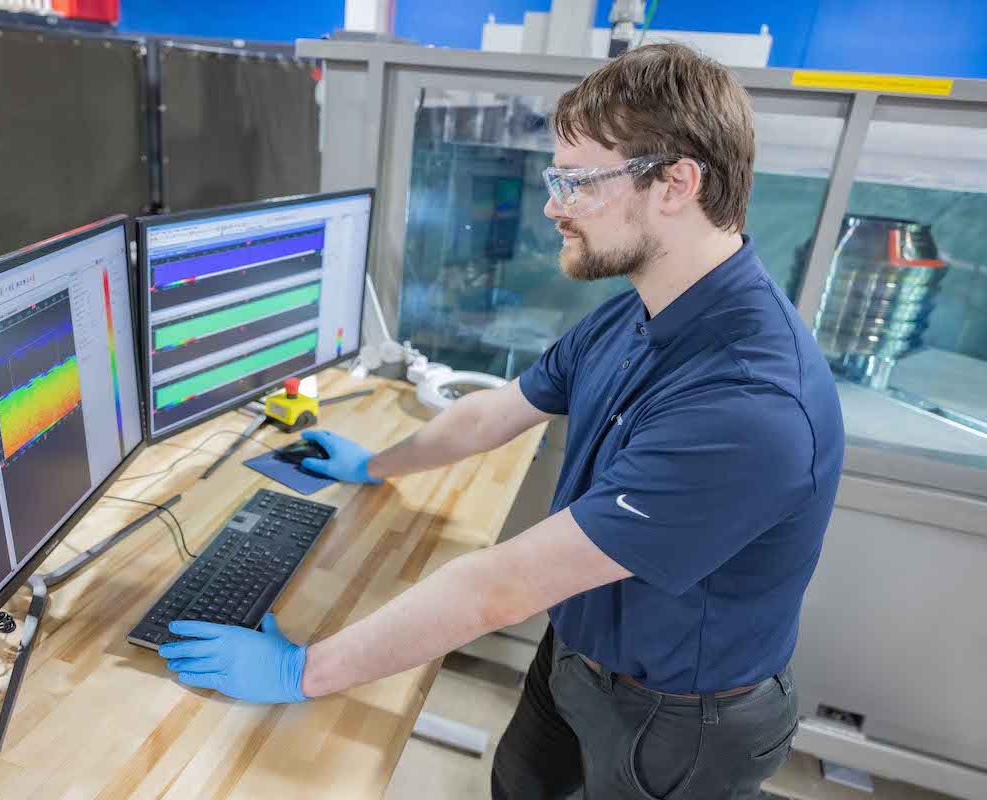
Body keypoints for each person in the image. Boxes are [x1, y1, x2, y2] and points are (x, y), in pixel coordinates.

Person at [156, 43, 844, 799]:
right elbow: (495, 414)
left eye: (577, 181)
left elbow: (501, 586)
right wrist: (373, 465)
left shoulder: (751, 403)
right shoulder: (640, 312)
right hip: (575, 654)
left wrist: (303, 670)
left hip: (679, 717)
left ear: (677, 182)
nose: (552, 205)